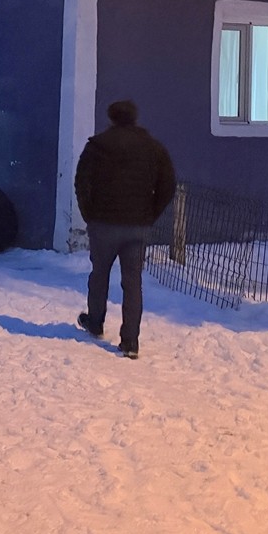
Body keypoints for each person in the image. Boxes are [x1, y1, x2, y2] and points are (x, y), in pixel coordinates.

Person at [74, 99, 176, 359]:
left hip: (104, 223)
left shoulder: (96, 146)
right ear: (134, 117)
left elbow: (81, 182)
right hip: (137, 225)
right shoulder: (153, 148)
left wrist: (90, 215)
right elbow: (168, 185)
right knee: (133, 283)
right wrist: (150, 214)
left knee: (99, 275)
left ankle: (95, 322)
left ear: (111, 118)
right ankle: (130, 341)